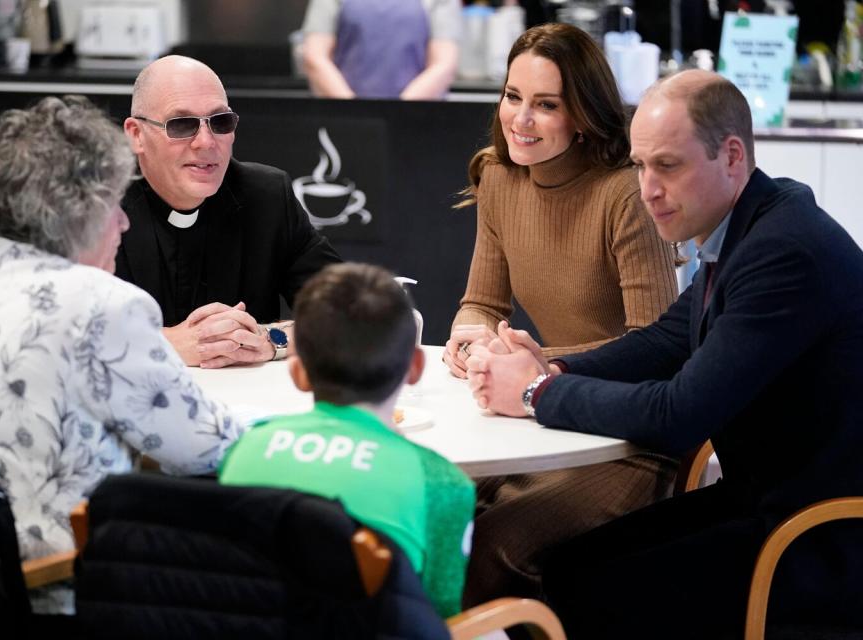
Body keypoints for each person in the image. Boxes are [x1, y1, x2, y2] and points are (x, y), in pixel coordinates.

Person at [467, 70, 863, 637]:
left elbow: (679, 416)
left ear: (731, 157)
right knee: (568, 569)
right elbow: (666, 340)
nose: (648, 187)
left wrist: (535, 393)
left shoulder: (782, 251)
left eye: (668, 166)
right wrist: (552, 367)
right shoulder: (751, 224)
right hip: (765, 501)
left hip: (814, 538)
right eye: (640, 165)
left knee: (581, 585)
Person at [0, 96, 245, 613]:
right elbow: (208, 448)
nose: (124, 225)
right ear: (79, 213)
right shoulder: (100, 304)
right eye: (114, 206)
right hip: (50, 590)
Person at [440, 23, 679, 606]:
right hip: (539, 414)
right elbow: (482, 302)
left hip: (627, 437)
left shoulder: (626, 193)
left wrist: (535, 365)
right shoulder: (497, 177)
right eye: (512, 97)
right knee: (436, 507)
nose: (520, 119)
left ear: (582, 115)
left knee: (497, 539)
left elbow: (657, 345)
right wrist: (470, 341)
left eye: (546, 105)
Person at [218, 263, 475, 617]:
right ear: (416, 367)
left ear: (298, 373)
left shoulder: (242, 453)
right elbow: (442, 614)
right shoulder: (441, 483)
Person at [117, 55, 341, 369]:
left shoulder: (266, 196)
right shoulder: (97, 208)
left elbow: (348, 311)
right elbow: (52, 330)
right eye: (182, 125)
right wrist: (159, 344)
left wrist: (271, 340)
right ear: (137, 135)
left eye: (220, 122)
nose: (206, 142)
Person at [300, 0, 461, 99]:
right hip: (344, 119)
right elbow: (315, 56)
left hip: (419, 117)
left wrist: (398, 110)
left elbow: (444, 64)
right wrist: (352, 108)